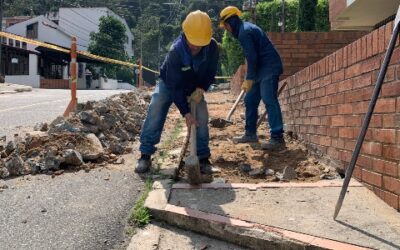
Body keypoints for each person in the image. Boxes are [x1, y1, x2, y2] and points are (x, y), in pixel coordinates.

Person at [135, 10, 219, 173]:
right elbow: (175, 87)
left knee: (201, 115)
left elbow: (210, 71)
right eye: (192, 41)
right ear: (185, 33)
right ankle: (145, 154)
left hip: (196, 86)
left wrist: (201, 88)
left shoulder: (212, 47)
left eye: (199, 42)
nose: (195, 46)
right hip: (170, 83)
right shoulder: (176, 52)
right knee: (157, 105)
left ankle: (203, 158)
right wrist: (186, 113)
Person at [219, 6, 285, 150]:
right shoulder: (244, 29)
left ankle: (277, 137)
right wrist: (250, 77)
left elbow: (252, 56)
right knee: (250, 99)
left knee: (268, 99)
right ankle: (250, 134)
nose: (227, 30)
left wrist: (249, 78)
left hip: (269, 67)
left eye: (225, 27)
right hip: (260, 69)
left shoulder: (245, 32)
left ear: (230, 23)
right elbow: (252, 56)